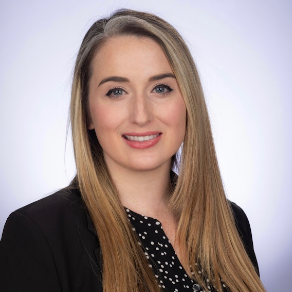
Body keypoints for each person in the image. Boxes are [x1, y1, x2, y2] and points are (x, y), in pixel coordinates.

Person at [0, 9, 266, 292]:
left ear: (189, 102)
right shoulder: (38, 235)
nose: (141, 115)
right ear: (87, 112)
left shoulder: (230, 222)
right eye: (116, 91)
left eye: (161, 88)